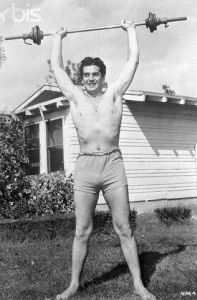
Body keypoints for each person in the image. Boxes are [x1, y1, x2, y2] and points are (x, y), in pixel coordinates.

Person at [51, 20, 156, 300]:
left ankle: (138, 285)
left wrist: (130, 31)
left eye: (95, 74)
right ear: (81, 77)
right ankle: (74, 285)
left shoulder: (115, 94)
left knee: (124, 227)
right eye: (86, 74)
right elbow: (57, 69)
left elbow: (133, 60)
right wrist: (58, 37)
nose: (90, 78)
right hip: (86, 167)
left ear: (103, 75)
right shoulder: (74, 97)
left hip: (112, 166)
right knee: (82, 230)